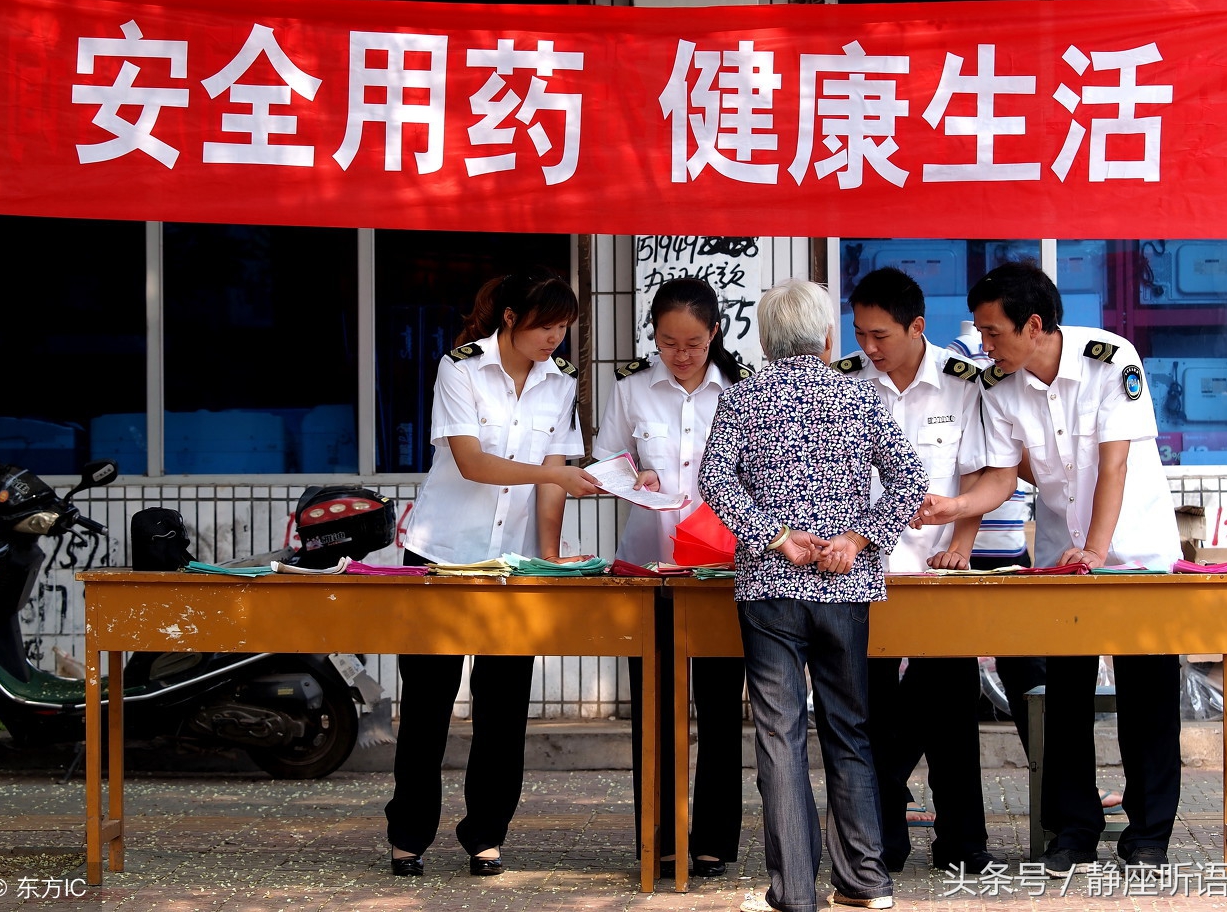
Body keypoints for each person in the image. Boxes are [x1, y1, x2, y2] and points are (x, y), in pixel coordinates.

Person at [917, 261, 1182, 877]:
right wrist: (953, 507)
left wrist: (1098, 548)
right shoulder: (999, 387)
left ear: (1033, 324)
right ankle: (1073, 829)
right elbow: (1004, 477)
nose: (985, 345)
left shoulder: (1109, 358)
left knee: (1148, 695)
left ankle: (1150, 831)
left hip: (1136, 552)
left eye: (993, 332)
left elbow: (1113, 464)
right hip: (1065, 559)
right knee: (1066, 695)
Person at [699, 278, 928, 912]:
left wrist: (775, 537)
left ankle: (794, 891)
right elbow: (910, 477)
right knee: (850, 731)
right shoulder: (860, 395)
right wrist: (859, 540)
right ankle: (865, 882)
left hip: (769, 588)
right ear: (828, 338)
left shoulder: (743, 399)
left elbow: (714, 482)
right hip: (844, 587)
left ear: (766, 341)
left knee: (779, 735)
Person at [384, 267, 602, 877]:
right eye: (544, 325)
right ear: (510, 318)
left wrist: (551, 554)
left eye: (563, 327)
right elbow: (473, 463)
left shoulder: (559, 385)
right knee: (427, 701)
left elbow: (555, 474)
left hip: (513, 563)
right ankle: (409, 835)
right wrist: (551, 475)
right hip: (444, 554)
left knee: (504, 706)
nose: (554, 338)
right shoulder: (460, 367)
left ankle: (486, 833)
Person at [833, 268, 995, 876]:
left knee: (951, 700)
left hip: (938, 567)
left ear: (917, 327)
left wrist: (962, 543)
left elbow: (979, 474)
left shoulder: (964, 384)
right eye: (860, 334)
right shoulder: (842, 385)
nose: (869, 348)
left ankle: (963, 840)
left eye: (881, 335)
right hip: (863, 567)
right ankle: (882, 842)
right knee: (867, 702)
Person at [594, 276, 750, 878]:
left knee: (717, 708)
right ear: (653, 337)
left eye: (692, 343)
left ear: (714, 333)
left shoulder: (745, 392)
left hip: (720, 568)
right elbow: (609, 462)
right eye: (668, 343)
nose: (680, 355)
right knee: (654, 708)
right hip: (649, 566)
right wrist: (636, 479)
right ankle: (656, 836)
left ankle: (712, 839)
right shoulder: (632, 389)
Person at [948, 318, 1046, 754]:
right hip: (956, 551)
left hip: (1005, 546)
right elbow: (975, 464)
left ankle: (1053, 777)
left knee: (1023, 667)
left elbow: (1009, 466)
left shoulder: (1017, 367)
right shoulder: (961, 364)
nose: (989, 345)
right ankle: (891, 784)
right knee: (949, 671)